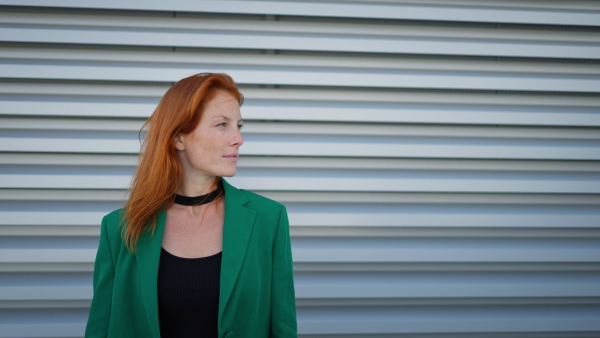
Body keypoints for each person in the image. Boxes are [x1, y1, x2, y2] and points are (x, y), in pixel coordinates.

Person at [85, 73, 298, 338]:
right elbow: (101, 327)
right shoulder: (120, 227)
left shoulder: (269, 219)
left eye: (238, 126)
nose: (238, 139)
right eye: (222, 124)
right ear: (178, 138)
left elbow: (283, 327)